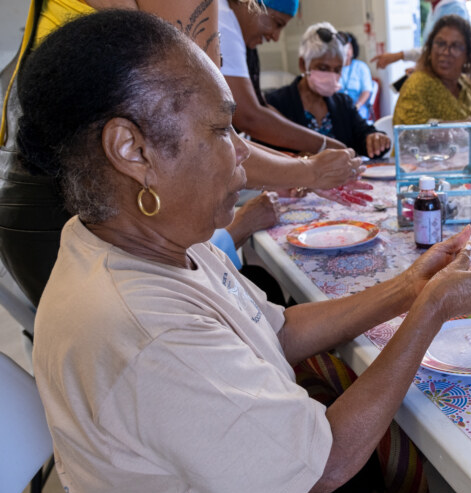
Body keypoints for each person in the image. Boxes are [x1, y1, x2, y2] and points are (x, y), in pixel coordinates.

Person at [24, 11, 471, 493]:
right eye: (220, 130)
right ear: (132, 150)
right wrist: (433, 310)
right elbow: (326, 463)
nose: (243, 155)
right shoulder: (143, 329)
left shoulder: (145, 242)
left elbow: (276, 330)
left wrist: (410, 287)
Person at [0, 0, 362, 306]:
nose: (237, 155)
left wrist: (297, 167)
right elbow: (201, 130)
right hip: (63, 205)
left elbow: (212, 135)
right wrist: (308, 171)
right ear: (130, 150)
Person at [218, 0, 349, 153]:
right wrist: (325, 146)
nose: (276, 37)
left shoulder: (343, 103)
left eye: (337, 69)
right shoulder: (224, 23)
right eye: (278, 23)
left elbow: (260, 108)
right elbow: (249, 117)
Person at [266, 23, 392, 159]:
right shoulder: (276, 103)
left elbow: (364, 135)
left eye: (337, 70)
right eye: (323, 68)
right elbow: (264, 153)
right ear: (303, 64)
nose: (331, 76)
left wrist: (375, 140)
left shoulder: (343, 103)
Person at [393, 15, 471, 141]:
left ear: (468, 54)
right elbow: (413, 133)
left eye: (455, 46)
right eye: (440, 43)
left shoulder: (465, 83)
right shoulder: (418, 83)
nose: (445, 52)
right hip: (423, 161)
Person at [371, 0, 469, 70]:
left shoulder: (455, 9)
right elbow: (430, 49)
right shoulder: (435, 9)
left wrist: (399, 56)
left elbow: (443, 52)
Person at [339, 32, 374, 121]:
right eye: (343, 48)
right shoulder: (333, 68)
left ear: (353, 50)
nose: (346, 51)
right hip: (338, 106)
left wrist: (357, 106)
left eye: (348, 48)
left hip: (358, 107)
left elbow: (366, 91)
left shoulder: (361, 67)